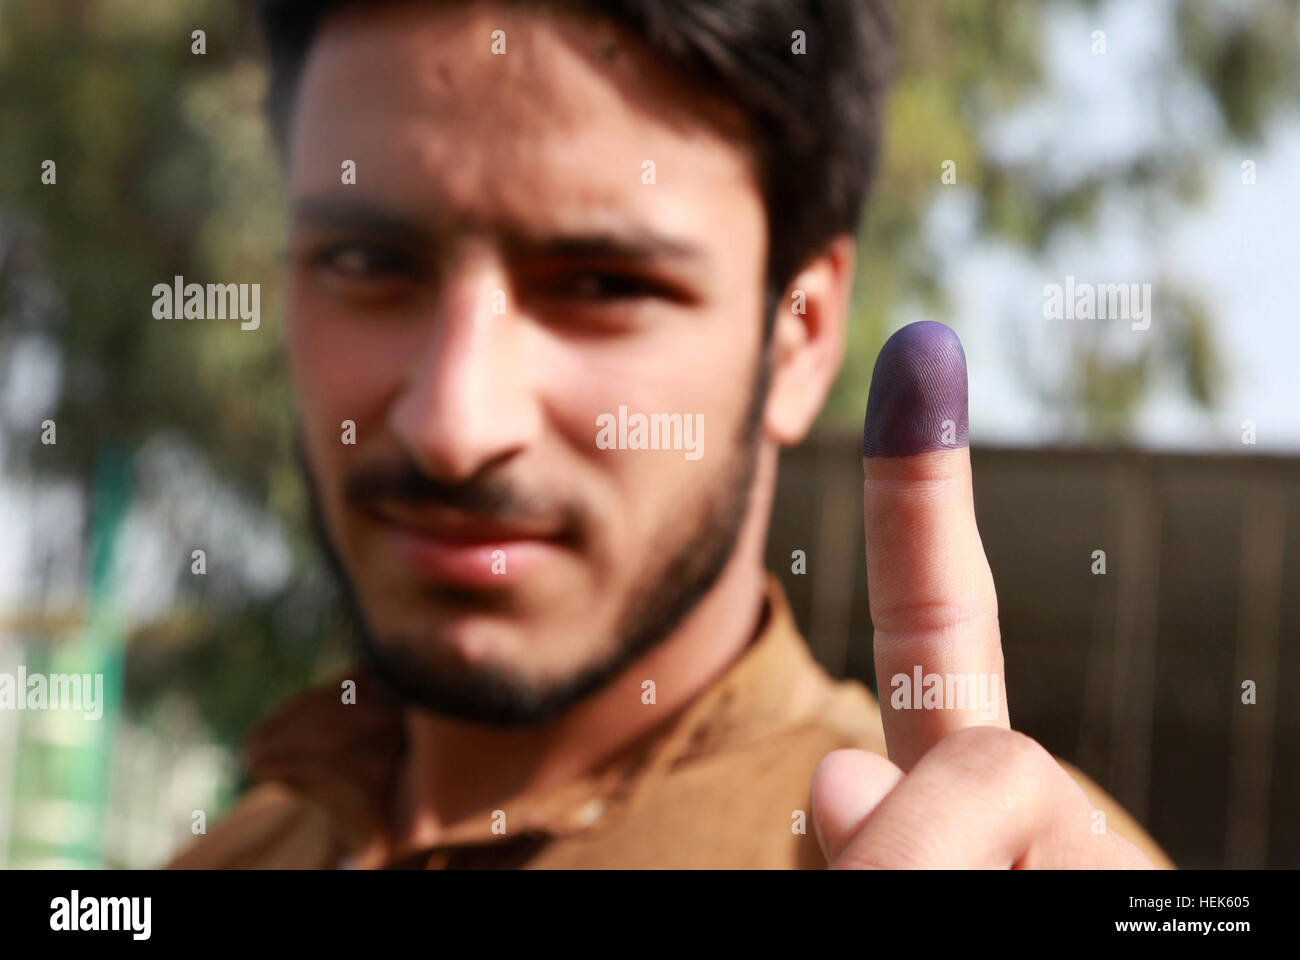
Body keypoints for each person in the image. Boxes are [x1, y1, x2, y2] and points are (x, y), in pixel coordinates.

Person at [168, 0, 1171, 869]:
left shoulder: (976, 857)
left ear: (801, 338)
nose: (452, 427)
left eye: (604, 286)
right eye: (363, 261)